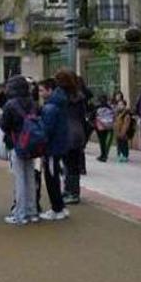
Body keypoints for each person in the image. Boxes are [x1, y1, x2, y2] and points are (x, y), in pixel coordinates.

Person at [0, 75, 38, 225]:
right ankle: (32, 211)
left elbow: (4, 125)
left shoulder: (10, 104)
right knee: (30, 176)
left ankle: (20, 213)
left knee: (19, 178)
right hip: (32, 143)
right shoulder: (32, 103)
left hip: (17, 143)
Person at [38, 76, 71, 221]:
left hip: (52, 147)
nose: (39, 93)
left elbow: (46, 129)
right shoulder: (59, 103)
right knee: (54, 175)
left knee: (51, 178)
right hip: (58, 145)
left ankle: (56, 208)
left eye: (41, 90)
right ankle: (60, 207)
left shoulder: (50, 107)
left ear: (50, 90)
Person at [61, 75, 91, 204]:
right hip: (78, 132)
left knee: (69, 164)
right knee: (72, 164)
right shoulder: (80, 97)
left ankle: (72, 192)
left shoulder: (63, 98)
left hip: (68, 133)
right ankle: (71, 191)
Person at [94, 94, 115, 162]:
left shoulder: (97, 107)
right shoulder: (109, 107)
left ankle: (103, 155)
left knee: (102, 141)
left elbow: (93, 115)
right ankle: (104, 155)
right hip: (108, 126)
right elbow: (113, 116)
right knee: (105, 141)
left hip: (100, 126)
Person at [111, 91, 132, 163]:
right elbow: (115, 122)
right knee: (119, 144)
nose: (120, 106)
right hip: (118, 132)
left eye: (121, 105)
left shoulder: (126, 114)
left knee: (124, 144)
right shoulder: (117, 113)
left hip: (123, 132)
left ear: (125, 106)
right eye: (119, 105)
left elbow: (126, 124)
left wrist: (123, 132)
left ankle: (125, 155)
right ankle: (119, 154)